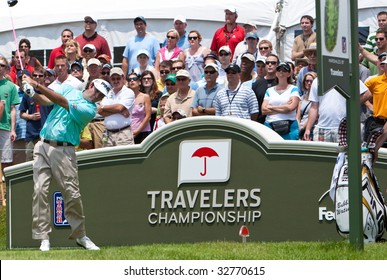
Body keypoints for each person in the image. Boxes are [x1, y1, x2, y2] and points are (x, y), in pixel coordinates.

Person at [21, 73, 111, 252]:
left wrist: (36, 84)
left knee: (72, 194)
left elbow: (61, 101)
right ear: (91, 84)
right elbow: (47, 101)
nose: (98, 96)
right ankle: (43, 237)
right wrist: (31, 92)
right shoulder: (69, 88)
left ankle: (80, 235)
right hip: (43, 145)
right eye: (98, 91)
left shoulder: (90, 110)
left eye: (101, 95)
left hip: (65, 150)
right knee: (39, 190)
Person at [303, 78, 371, 142]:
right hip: (321, 129)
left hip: (343, 129)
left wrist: (351, 104)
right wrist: (308, 129)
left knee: (343, 154)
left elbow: (367, 94)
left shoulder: (347, 77)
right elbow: (314, 107)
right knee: (321, 154)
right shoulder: (317, 80)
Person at [19, 67, 52, 161]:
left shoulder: (50, 92)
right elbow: (21, 113)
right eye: (35, 75)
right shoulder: (27, 92)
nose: (37, 77)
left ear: (45, 77)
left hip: (46, 135)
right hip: (32, 135)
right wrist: (31, 116)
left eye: (40, 75)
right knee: (30, 164)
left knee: (46, 162)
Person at [261, 62, 301, 140]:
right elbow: (264, 110)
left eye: (284, 70)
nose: (281, 72)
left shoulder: (293, 89)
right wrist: (284, 108)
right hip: (270, 126)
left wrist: (271, 107)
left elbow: (291, 108)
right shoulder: (269, 90)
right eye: (279, 70)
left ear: (289, 74)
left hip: (290, 127)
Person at [98, 67, 135, 146]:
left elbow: (119, 107)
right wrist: (118, 111)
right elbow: (100, 111)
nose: (116, 81)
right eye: (113, 79)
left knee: (125, 158)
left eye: (118, 78)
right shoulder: (108, 93)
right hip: (108, 135)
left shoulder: (128, 92)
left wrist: (104, 107)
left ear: (123, 78)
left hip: (123, 134)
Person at [0, 56, 20, 172]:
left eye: (2, 65)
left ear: (6, 68)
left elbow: (13, 109)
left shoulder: (11, 86)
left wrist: (13, 129)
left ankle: (4, 189)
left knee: (6, 162)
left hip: (5, 127)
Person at [252, 53, 279, 124]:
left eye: (273, 63)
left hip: (278, 122)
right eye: (267, 63)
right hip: (260, 124)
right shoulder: (256, 84)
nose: (270, 65)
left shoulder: (282, 83)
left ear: (278, 65)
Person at [127, 72, 152, 144]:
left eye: (134, 79)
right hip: (128, 132)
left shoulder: (145, 97)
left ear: (139, 82)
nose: (132, 81)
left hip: (143, 132)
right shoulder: (125, 98)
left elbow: (148, 116)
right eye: (129, 79)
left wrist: (137, 131)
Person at [296, 71, 317, 140]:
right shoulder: (302, 98)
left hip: (311, 130)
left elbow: (316, 115)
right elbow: (298, 116)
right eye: (307, 81)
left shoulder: (317, 99)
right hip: (300, 130)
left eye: (311, 81)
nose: (309, 83)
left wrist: (303, 128)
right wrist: (299, 128)